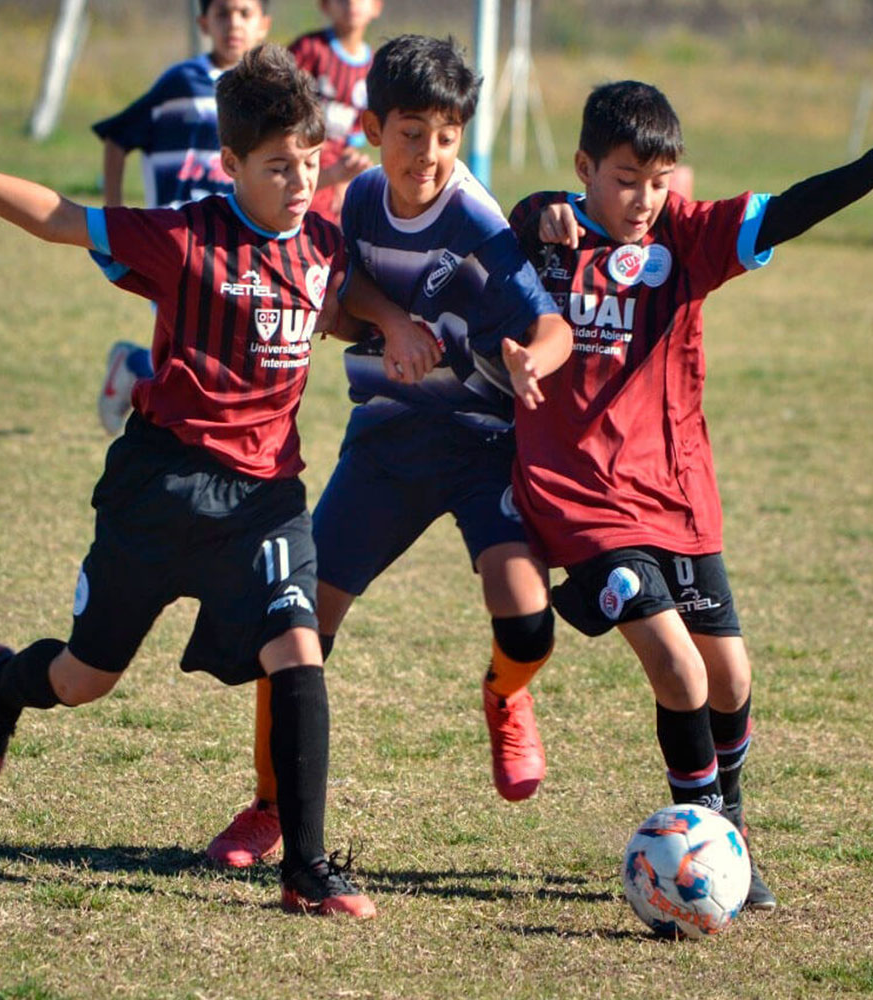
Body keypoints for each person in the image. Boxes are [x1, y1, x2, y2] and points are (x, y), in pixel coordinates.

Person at [0, 44, 377, 918]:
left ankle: (310, 868)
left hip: (266, 500)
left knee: (299, 651)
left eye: (310, 162)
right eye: (277, 167)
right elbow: (57, 216)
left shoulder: (325, 245)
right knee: (83, 678)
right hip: (160, 488)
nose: (298, 183)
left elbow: (358, 302)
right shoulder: (186, 234)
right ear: (232, 166)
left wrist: (402, 329)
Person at [502, 80, 873, 912]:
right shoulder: (550, 238)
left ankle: (732, 839)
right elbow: (508, 221)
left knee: (729, 673)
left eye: (658, 179)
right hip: (580, 501)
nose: (642, 199)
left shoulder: (690, 235)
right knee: (677, 669)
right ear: (585, 169)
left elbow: (806, 202)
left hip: (677, 496)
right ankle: (704, 837)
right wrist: (539, 207)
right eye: (622, 179)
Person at [202, 33, 574, 869]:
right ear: (372, 127)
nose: (430, 155)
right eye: (412, 132)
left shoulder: (478, 222)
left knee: (528, 622)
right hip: (384, 447)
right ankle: (267, 808)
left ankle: (505, 696)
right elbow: (331, 279)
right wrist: (387, 319)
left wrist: (530, 361)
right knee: (295, 629)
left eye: (446, 136)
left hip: (481, 445)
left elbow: (553, 327)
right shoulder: (360, 201)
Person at [94, 0, 272, 435]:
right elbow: (118, 138)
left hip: (235, 245)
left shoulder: (267, 95)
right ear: (204, 23)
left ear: (263, 24)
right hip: (176, 242)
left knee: (212, 351)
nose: (234, 23)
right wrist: (115, 215)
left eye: (245, 13)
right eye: (224, 13)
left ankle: (134, 367)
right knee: (197, 349)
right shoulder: (182, 82)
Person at [288, 0, 381, 224]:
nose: (351, 3)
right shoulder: (309, 49)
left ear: (377, 6)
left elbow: (354, 138)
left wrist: (345, 178)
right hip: (297, 159)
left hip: (335, 174)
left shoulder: (374, 68)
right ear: (325, 5)